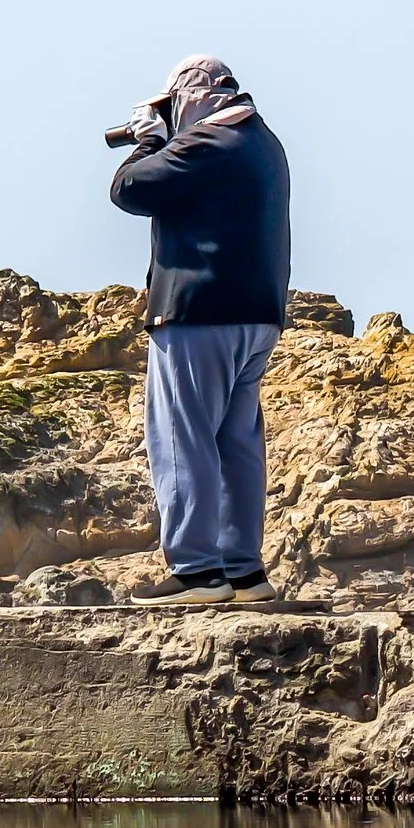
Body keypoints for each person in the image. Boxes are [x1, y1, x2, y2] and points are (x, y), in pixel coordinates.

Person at [108, 54, 291, 604]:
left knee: (182, 436)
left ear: (192, 94)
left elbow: (130, 188)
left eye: (172, 104)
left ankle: (196, 571)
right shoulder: (263, 143)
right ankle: (243, 571)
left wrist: (148, 141)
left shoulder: (206, 143)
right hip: (258, 314)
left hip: (199, 313)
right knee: (237, 444)